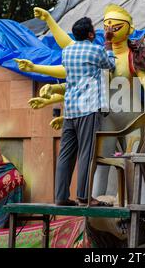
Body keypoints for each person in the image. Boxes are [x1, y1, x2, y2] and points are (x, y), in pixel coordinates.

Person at [54, 17, 115, 206]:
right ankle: (84, 196)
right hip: (88, 108)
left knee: (66, 154)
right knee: (87, 154)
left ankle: (61, 197)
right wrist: (109, 43)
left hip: (70, 109)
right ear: (90, 34)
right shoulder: (96, 50)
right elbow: (111, 66)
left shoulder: (66, 52)